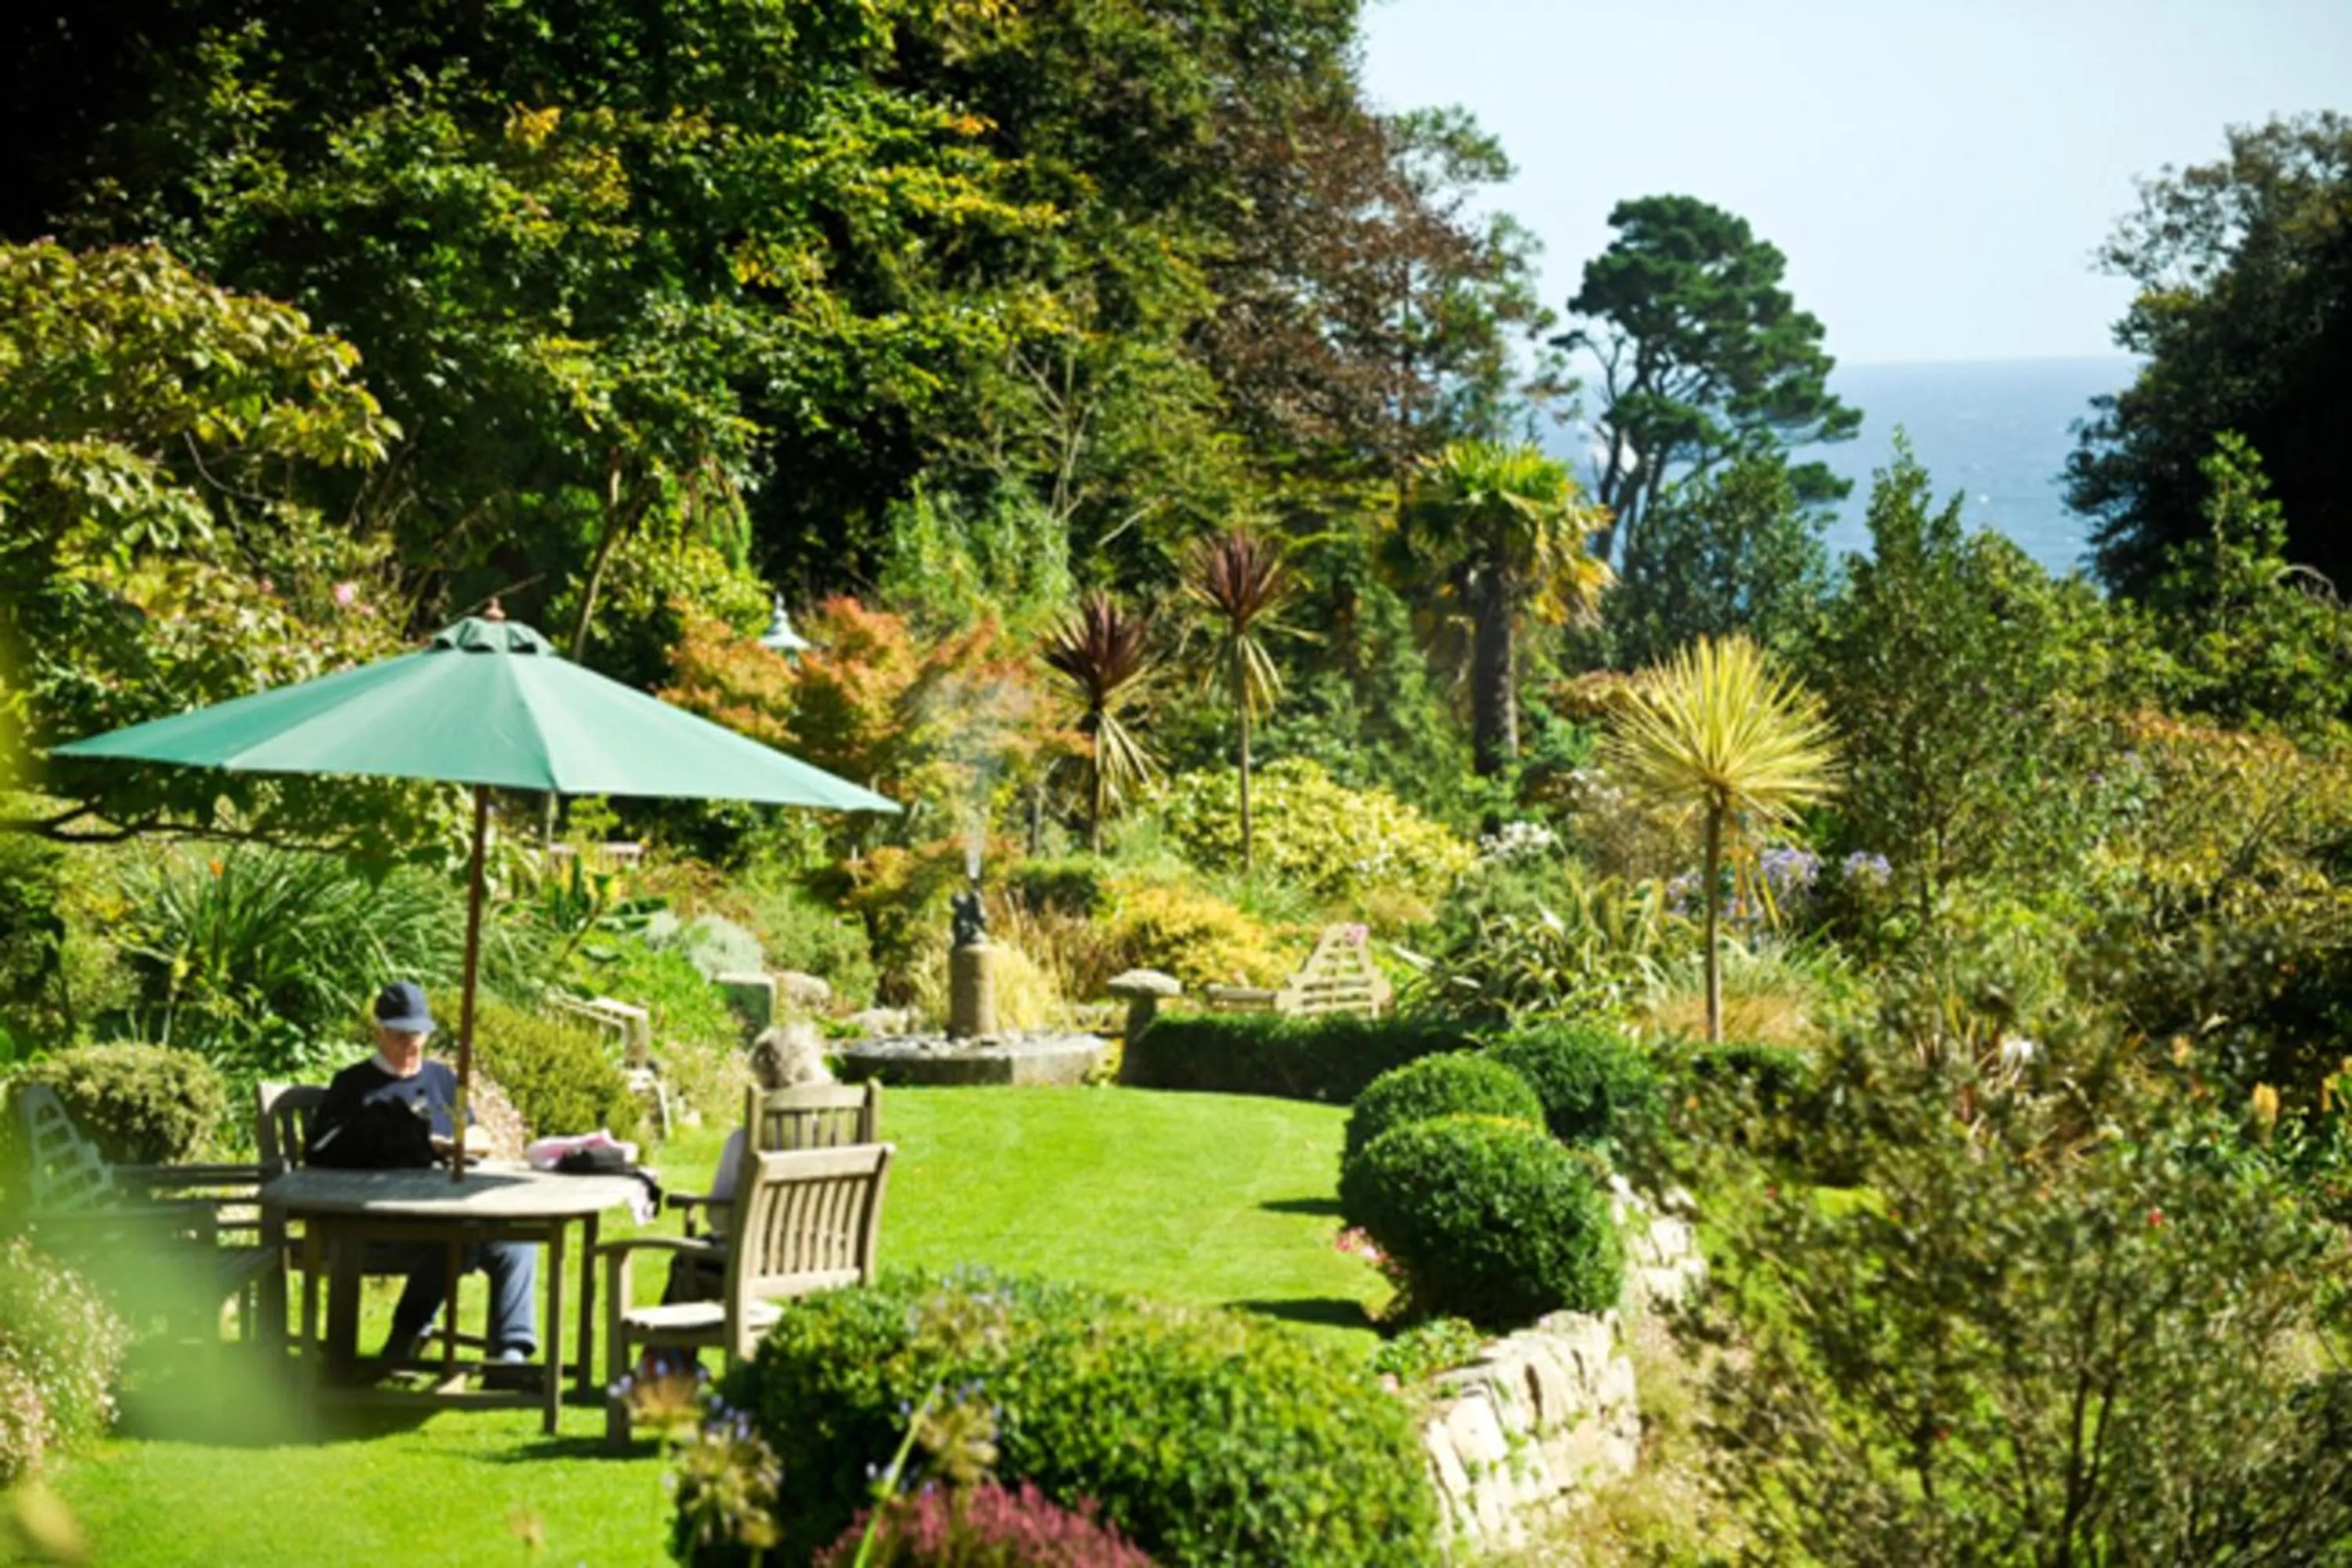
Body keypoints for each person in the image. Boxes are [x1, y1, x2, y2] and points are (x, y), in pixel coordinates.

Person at [305, 981, 539, 1368]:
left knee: (517, 1243)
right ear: (379, 1033)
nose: (411, 1046)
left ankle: (511, 1357)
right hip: (380, 1221)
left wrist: (459, 1144)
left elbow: (476, 1132)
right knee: (453, 1239)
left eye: (418, 1037)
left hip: (444, 1210)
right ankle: (405, 1339)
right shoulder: (355, 1085)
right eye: (401, 1037)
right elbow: (322, 1150)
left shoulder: (441, 1079)